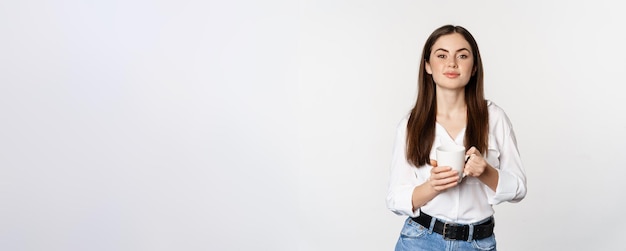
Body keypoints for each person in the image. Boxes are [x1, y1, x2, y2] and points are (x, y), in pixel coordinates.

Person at [386, 24, 527, 251]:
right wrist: (433, 186)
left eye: (462, 55)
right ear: (428, 66)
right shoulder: (411, 125)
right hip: (420, 240)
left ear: (473, 68)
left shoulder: (494, 117)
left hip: (477, 243)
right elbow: (395, 198)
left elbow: (519, 188)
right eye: (442, 55)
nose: (452, 63)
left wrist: (486, 172)